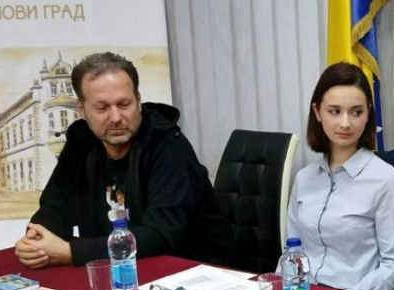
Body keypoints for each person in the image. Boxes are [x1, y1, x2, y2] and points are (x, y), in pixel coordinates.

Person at [14, 52, 233, 269]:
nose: (116, 118)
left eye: (124, 104)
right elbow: (52, 212)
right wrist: (36, 242)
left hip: (192, 272)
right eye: (102, 108)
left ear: (138, 101)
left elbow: (159, 235)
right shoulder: (81, 144)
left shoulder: (168, 146)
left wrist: (72, 253)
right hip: (118, 269)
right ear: (82, 109)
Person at [287, 62, 394, 290]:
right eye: (334, 111)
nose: (345, 123)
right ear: (317, 112)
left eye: (356, 112)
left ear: (368, 114)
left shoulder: (386, 182)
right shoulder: (304, 178)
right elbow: (292, 250)